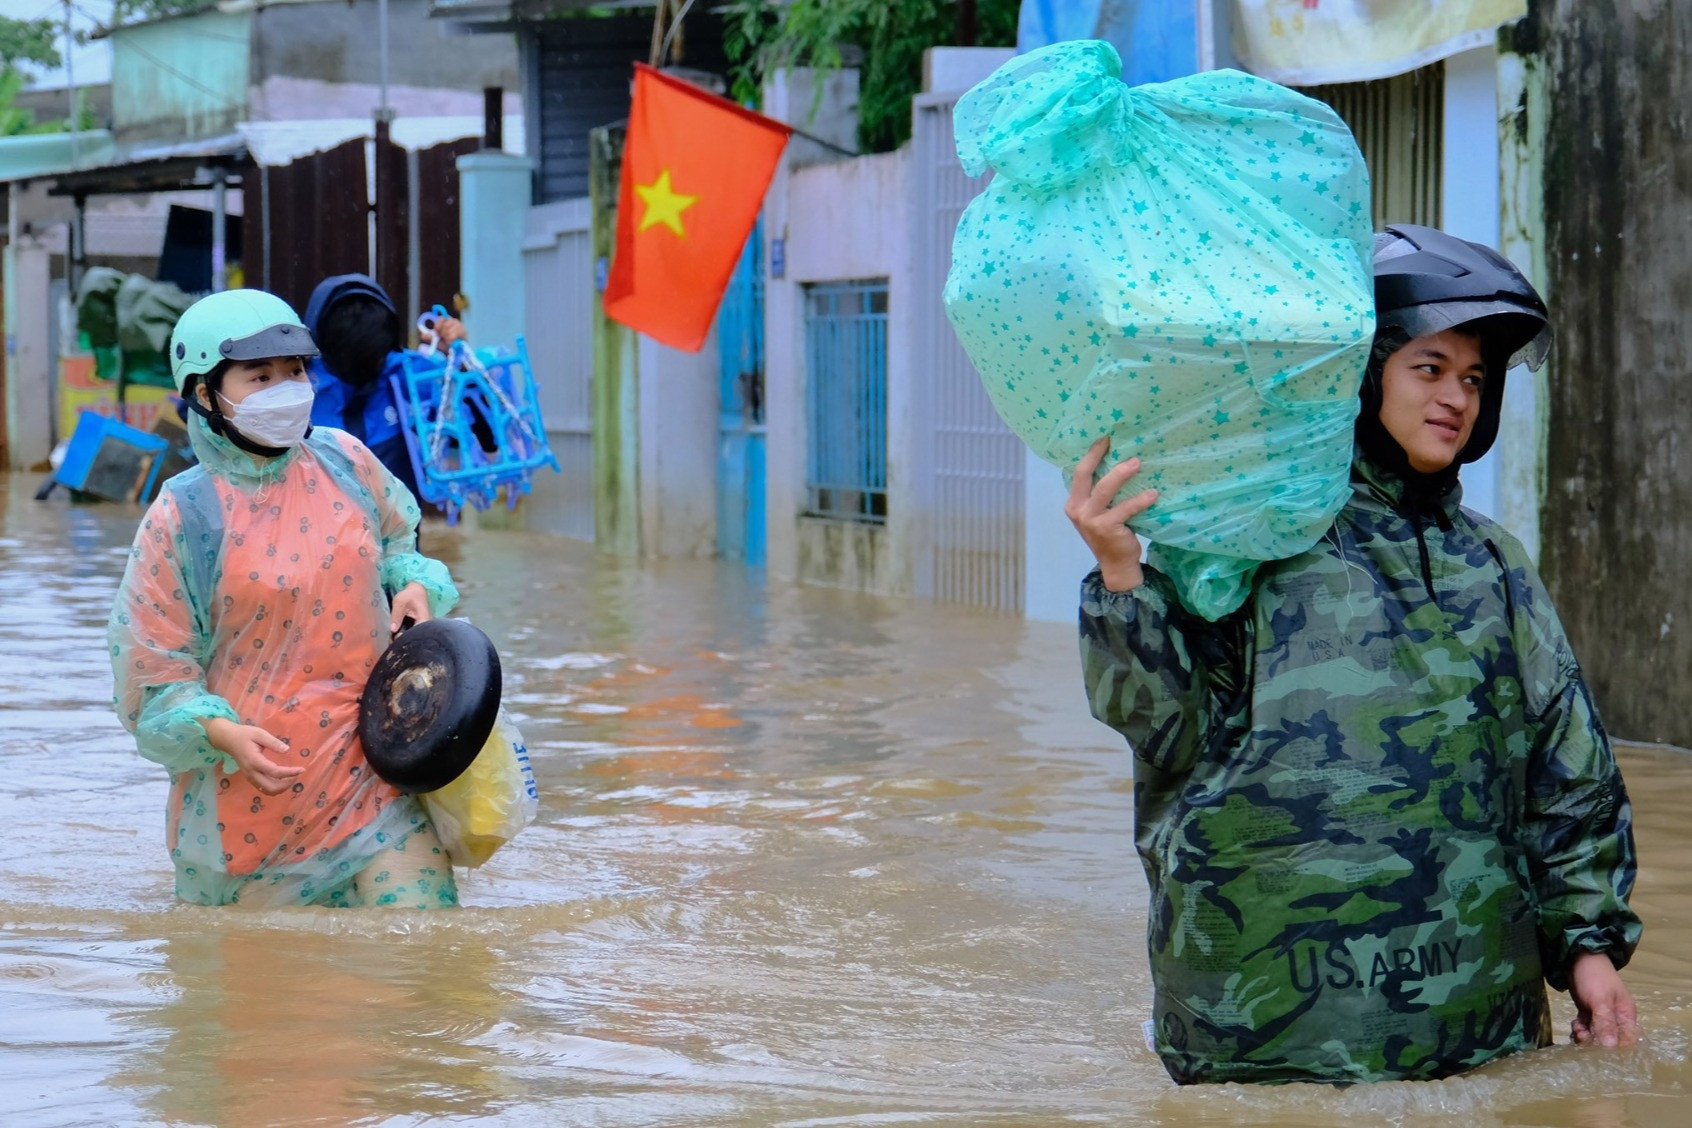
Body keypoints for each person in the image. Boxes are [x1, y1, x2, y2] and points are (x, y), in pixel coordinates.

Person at [1067, 225, 1641, 1084]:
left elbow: (1568, 774)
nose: (1458, 397)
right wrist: (1122, 579)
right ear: (1361, 376)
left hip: (1478, 1036)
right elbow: (1166, 729)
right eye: (1431, 367)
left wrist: (1589, 952)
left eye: (1475, 379)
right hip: (1267, 1038)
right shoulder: (1253, 540)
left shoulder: (1495, 566)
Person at [108, 288, 462, 908]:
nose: (287, 388)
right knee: (270, 996)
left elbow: (399, 541)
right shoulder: (182, 517)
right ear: (203, 394)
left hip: (374, 774)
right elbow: (154, 674)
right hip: (252, 803)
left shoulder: (346, 461)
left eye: (295, 371)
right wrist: (220, 732)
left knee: (426, 961)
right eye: (261, 375)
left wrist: (413, 585)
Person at [302, 274, 467, 502]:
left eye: (376, 358)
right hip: (318, 526)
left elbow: (475, 412)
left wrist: (457, 356)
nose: (366, 368)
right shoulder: (300, 382)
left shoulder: (404, 370)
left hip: (397, 527)